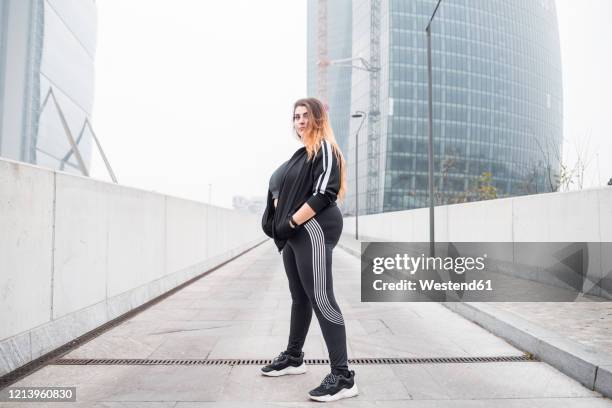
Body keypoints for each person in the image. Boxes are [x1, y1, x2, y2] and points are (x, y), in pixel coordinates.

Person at [260, 97, 358, 402]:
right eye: (296, 116)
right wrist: (283, 217)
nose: (300, 120)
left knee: (321, 297)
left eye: (306, 115)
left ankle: (343, 377)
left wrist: (290, 221)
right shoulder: (298, 156)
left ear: (317, 119)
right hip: (294, 231)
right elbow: (280, 186)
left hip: (313, 226)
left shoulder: (325, 149)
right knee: (299, 297)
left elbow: (324, 194)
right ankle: (294, 356)